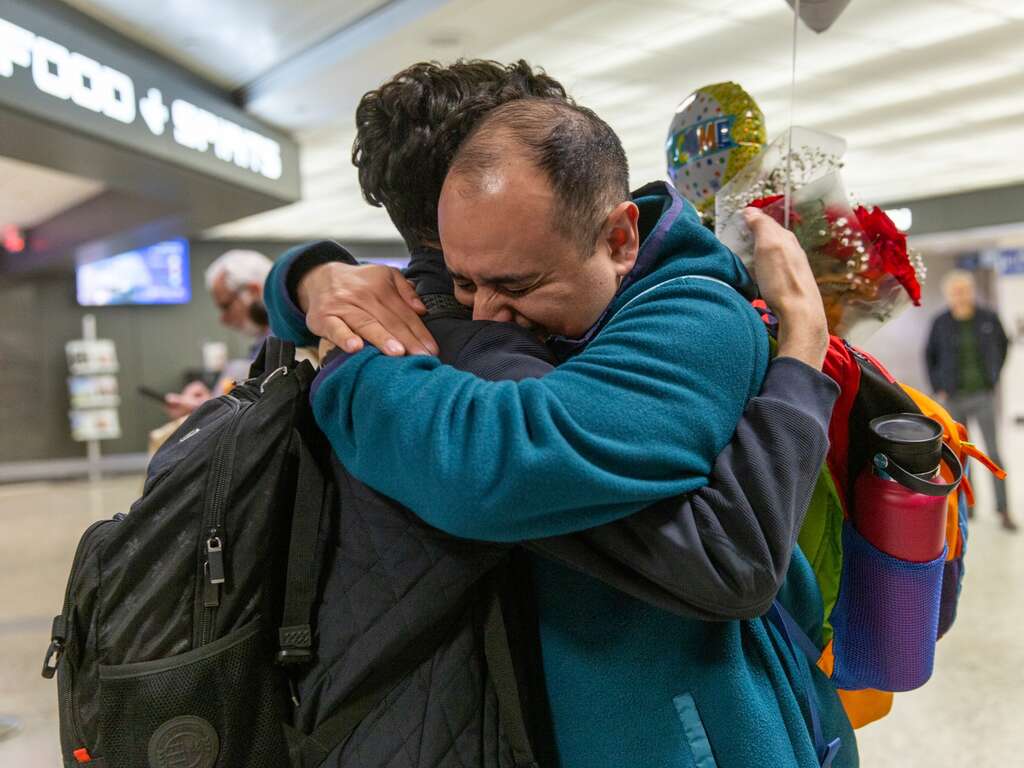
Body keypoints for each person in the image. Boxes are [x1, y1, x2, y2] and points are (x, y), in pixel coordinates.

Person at [270, 76, 854, 768]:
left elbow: (724, 558)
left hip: (692, 728)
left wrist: (349, 361)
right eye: (462, 281)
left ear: (616, 237)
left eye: (516, 284)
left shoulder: (690, 315)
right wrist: (310, 275)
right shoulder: (459, 315)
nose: (485, 310)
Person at [926, 269, 1014, 531]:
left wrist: (993, 377)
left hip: (982, 395)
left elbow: (1003, 345)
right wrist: (939, 387)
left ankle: (1003, 509)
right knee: (961, 456)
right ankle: (969, 507)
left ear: (972, 291)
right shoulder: (940, 322)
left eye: (964, 290)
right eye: (955, 292)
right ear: (948, 295)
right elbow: (930, 356)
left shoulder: (988, 318)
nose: (960, 296)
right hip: (953, 398)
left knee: (993, 452)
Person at [162, 249, 273, 419]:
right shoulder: (264, 343)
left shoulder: (287, 345)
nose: (223, 319)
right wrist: (210, 403)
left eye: (226, 306)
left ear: (253, 291)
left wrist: (211, 409)